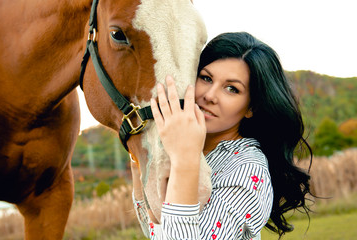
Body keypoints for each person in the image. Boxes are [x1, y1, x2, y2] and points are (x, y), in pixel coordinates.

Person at [131, 32, 312, 240]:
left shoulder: (247, 170)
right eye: (206, 78)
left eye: (231, 89)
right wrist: (140, 155)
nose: (209, 95)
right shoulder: (184, 147)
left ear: (251, 108)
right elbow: (155, 227)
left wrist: (185, 160)